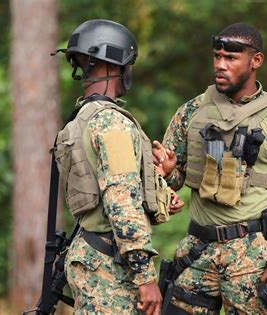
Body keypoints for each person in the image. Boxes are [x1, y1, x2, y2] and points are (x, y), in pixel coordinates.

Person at [153, 22, 267, 314]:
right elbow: (175, 183)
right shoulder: (192, 112)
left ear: (256, 61)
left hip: (250, 257)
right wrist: (167, 173)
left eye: (230, 58)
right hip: (196, 252)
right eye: (217, 56)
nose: (220, 65)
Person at [53, 19, 183, 315]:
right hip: (111, 269)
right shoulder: (112, 123)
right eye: (128, 64)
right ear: (115, 66)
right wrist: (145, 278)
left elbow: (100, 188)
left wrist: (159, 188)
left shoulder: (80, 119)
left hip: (90, 256)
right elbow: (120, 202)